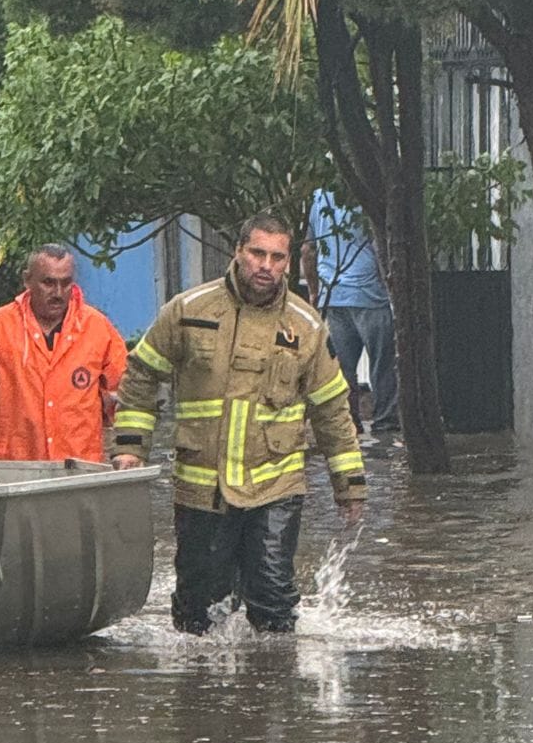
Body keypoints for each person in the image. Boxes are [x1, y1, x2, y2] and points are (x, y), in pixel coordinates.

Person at [113, 214, 366, 636]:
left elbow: (332, 410)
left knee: (272, 600)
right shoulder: (189, 311)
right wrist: (129, 449)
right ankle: (204, 696)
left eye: (277, 257)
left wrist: (350, 486)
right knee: (199, 611)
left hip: (277, 484)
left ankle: (273, 690)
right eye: (257, 253)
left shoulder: (306, 327)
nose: (266, 265)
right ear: (238, 252)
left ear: (288, 262)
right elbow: (141, 374)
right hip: (202, 486)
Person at [0, 243, 128, 472]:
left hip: (78, 470)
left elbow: (127, 394)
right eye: (48, 282)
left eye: (65, 283)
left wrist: (128, 449)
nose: (57, 293)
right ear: (27, 280)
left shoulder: (98, 329)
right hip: (13, 470)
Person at [301, 189, 398, 433]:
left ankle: (348, 424)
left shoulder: (319, 198)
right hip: (370, 295)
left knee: (341, 368)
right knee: (382, 364)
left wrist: (314, 292)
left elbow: (308, 249)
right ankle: (385, 423)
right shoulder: (365, 195)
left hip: (332, 296)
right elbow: (379, 245)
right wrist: (390, 285)